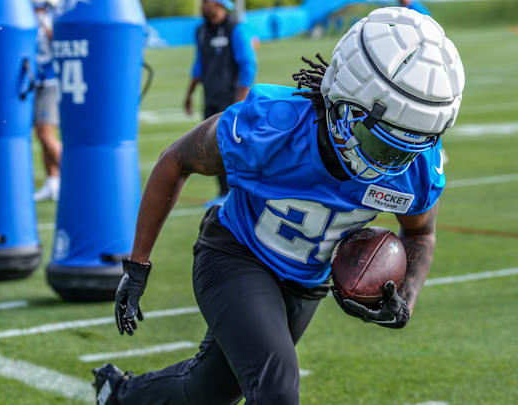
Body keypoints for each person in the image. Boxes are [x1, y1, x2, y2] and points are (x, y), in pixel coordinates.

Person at [95, 7, 464, 405]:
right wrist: (137, 266)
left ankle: (118, 395)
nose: (387, 162)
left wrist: (405, 299)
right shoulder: (270, 126)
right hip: (236, 255)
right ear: (342, 98)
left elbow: (420, 233)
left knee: (207, 391)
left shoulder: (415, 168)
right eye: (379, 140)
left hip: (306, 285)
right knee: (277, 389)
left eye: (406, 147)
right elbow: (175, 161)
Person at [184, 0, 257, 207]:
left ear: (219, 4)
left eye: (206, 2)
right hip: (211, 98)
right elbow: (199, 65)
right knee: (212, 147)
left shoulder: (236, 29)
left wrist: (239, 102)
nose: (202, 5)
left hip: (232, 98)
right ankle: (223, 193)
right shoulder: (200, 31)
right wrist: (189, 94)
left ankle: (241, 194)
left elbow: (248, 65)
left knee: (235, 147)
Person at [32, 0, 62, 202]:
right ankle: (52, 181)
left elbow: (58, 42)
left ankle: (76, 176)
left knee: (45, 134)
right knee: (41, 134)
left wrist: (46, 24)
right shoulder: (29, 14)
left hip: (51, 81)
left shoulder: (53, 16)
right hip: (35, 80)